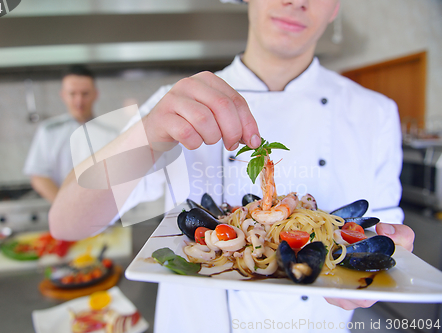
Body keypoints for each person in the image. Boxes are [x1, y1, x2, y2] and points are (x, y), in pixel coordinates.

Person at [50, 0, 415, 332]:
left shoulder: (375, 113)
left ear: (335, 7)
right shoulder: (176, 106)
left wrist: (386, 261)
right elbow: (67, 223)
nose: (297, 1)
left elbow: (383, 240)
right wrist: (150, 131)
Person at [23, 65, 99, 203]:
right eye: (72, 94)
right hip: (63, 210)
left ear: (95, 94)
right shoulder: (48, 130)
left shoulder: (111, 132)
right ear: (63, 95)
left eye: (85, 94)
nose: (79, 101)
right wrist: (65, 206)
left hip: (104, 211)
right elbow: (38, 176)